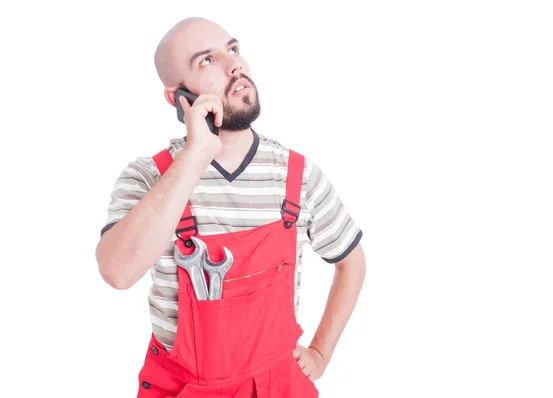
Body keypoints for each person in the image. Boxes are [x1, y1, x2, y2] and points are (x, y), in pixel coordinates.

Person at [95, 16, 366, 397]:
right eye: (206, 60)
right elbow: (117, 271)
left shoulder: (298, 177)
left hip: (277, 386)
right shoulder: (148, 178)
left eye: (233, 50)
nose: (233, 65)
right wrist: (197, 154)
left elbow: (351, 261)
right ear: (178, 99)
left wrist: (320, 353)